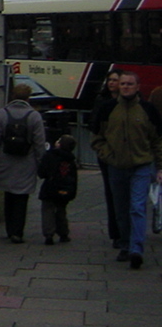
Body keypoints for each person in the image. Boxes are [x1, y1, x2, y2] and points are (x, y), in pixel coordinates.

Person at [91, 70, 162, 269]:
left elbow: (157, 140)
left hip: (141, 165)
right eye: (123, 84)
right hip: (116, 166)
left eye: (130, 84)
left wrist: (159, 166)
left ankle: (136, 248)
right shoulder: (108, 109)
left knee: (137, 207)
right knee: (121, 208)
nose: (125, 87)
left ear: (138, 87)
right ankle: (125, 243)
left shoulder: (148, 110)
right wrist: (108, 155)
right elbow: (96, 138)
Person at [0, 82, 46, 243]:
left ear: (13, 96)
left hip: (5, 161)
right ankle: (17, 231)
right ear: (28, 98)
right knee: (21, 197)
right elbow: (39, 144)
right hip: (26, 162)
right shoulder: (34, 116)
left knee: (9, 194)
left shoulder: (2, 114)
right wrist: (42, 165)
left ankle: (10, 229)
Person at [91, 69, 123, 247]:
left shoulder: (130, 103)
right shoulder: (101, 101)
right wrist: (102, 150)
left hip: (127, 155)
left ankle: (126, 230)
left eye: (115, 80)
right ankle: (116, 233)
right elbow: (94, 126)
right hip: (107, 156)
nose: (112, 83)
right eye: (110, 80)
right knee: (111, 194)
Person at [38, 134, 78, 245]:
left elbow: (42, 172)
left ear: (59, 144)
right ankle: (63, 233)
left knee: (47, 210)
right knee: (61, 210)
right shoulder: (71, 160)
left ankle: (49, 234)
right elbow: (74, 178)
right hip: (64, 189)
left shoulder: (50, 156)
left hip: (49, 188)